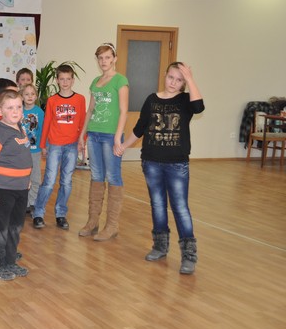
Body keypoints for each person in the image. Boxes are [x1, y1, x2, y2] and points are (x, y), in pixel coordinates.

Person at [118, 62, 204, 274]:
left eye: (179, 80)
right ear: (165, 76)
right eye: (171, 77)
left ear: (183, 83)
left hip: (177, 164)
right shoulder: (151, 99)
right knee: (157, 204)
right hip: (151, 162)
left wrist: (190, 78)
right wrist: (123, 146)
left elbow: (199, 107)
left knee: (180, 207)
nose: (173, 82)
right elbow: (140, 128)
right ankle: (160, 246)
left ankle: (189, 256)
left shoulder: (185, 101)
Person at [0, 90, 32, 281]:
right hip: (1, 190)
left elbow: (21, 158)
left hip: (20, 188)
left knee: (15, 228)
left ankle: (9, 262)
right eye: (10, 108)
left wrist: (26, 179)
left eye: (18, 107)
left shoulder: (19, 128)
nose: (16, 111)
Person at [78, 43, 129, 241]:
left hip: (110, 136)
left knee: (113, 176)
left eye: (108, 57)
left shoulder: (120, 80)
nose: (104, 61)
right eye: (100, 58)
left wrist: (117, 137)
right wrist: (83, 135)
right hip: (94, 135)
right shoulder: (95, 82)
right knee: (97, 176)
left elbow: (123, 111)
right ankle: (93, 222)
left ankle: (112, 225)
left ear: (114, 59)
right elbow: (90, 110)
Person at [32, 63, 86, 230]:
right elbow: (47, 123)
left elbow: (83, 122)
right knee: (49, 180)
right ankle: (38, 213)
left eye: (68, 79)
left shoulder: (80, 99)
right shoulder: (52, 100)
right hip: (54, 144)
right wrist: (43, 145)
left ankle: (60, 214)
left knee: (66, 182)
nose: (65, 82)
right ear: (57, 80)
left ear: (73, 80)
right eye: (62, 79)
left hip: (72, 145)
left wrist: (82, 141)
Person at [19, 83, 44, 214]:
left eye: (32, 94)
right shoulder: (18, 111)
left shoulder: (40, 112)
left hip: (35, 151)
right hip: (20, 152)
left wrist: (44, 146)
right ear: (22, 96)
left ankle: (31, 202)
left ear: (36, 96)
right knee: (22, 178)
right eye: (27, 94)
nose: (30, 96)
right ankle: (21, 202)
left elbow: (43, 130)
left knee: (35, 178)